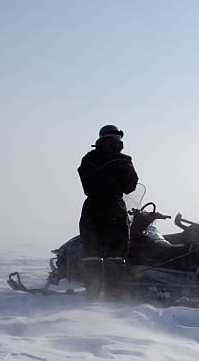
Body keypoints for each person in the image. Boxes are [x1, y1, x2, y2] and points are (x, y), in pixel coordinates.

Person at [78, 124, 138, 298]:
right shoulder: (124, 160)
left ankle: (92, 294)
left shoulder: (88, 159)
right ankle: (113, 296)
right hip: (114, 208)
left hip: (91, 209)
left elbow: (86, 185)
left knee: (92, 252)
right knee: (116, 254)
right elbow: (130, 186)